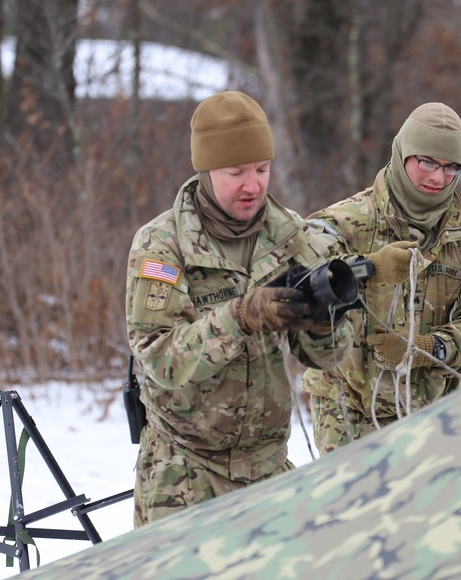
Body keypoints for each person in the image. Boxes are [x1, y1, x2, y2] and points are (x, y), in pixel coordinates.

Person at [125, 90, 354, 526]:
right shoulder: (162, 245)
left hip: (268, 470)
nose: (254, 185)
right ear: (207, 170)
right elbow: (160, 360)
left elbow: (326, 359)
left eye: (262, 169)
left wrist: (324, 322)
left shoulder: (287, 234)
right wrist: (242, 317)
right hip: (186, 474)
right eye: (236, 172)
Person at [301, 102, 461, 454]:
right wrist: (367, 268)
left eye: (451, 167)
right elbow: (299, 291)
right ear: (402, 153)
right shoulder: (344, 223)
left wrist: (429, 350)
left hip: (434, 417)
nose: (438, 178)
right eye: (427, 162)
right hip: (349, 413)